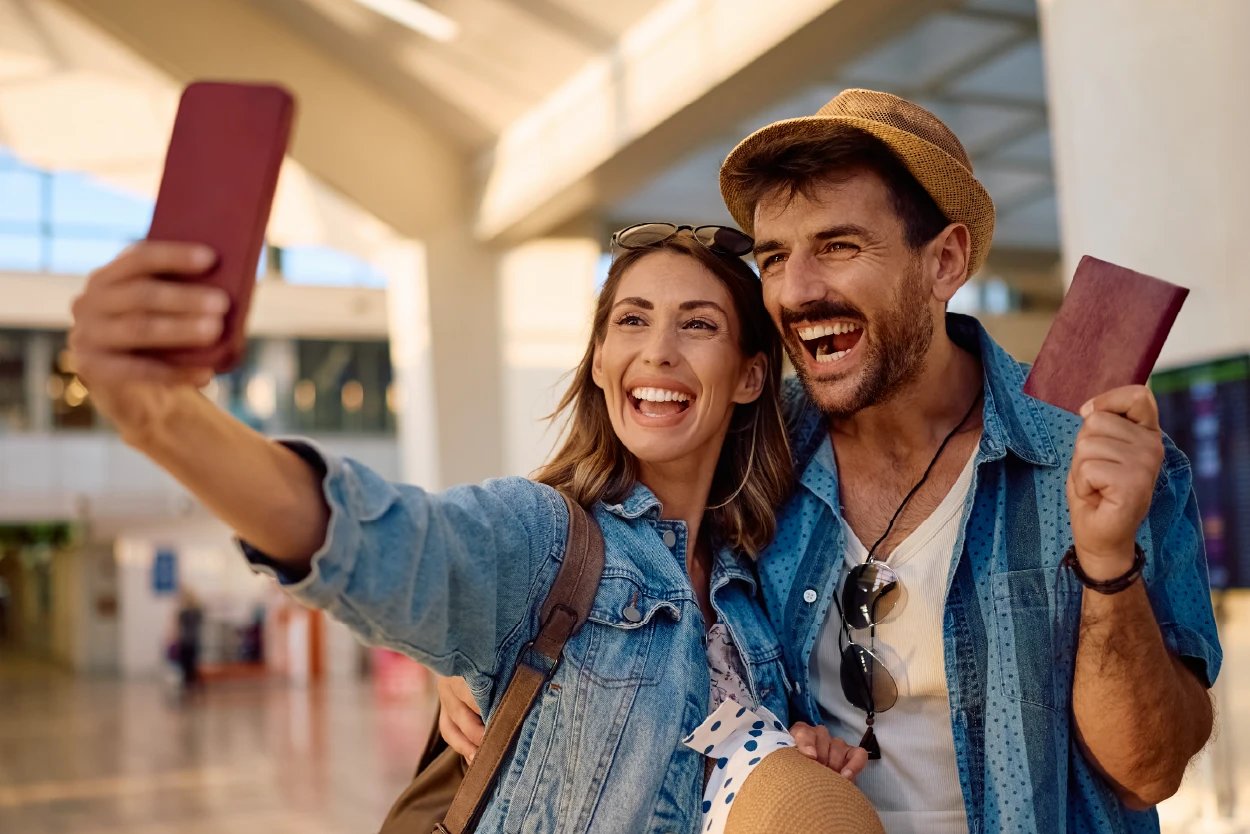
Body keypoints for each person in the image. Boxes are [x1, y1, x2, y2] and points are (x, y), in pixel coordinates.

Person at [440, 90, 1221, 834]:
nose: (797, 291)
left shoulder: (1088, 459)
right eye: (775, 257)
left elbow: (1147, 774)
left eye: (839, 246)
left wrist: (1107, 563)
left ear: (945, 262)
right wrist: (470, 633)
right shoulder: (755, 447)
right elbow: (599, 516)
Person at [68, 226, 871, 832]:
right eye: (632, 320)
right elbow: (379, 543)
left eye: (697, 325)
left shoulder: (749, 582)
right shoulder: (542, 537)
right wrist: (162, 418)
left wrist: (796, 756)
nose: (657, 352)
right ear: (598, 360)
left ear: (751, 375)